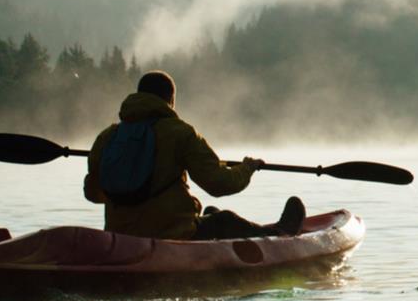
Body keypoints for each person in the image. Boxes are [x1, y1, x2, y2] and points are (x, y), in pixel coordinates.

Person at [85, 71, 308, 240]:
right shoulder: (180, 132)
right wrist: (247, 168)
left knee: (210, 213)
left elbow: (93, 194)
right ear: (170, 100)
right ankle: (279, 234)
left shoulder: (108, 136)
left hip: (120, 238)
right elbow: (219, 184)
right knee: (223, 219)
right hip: (172, 237)